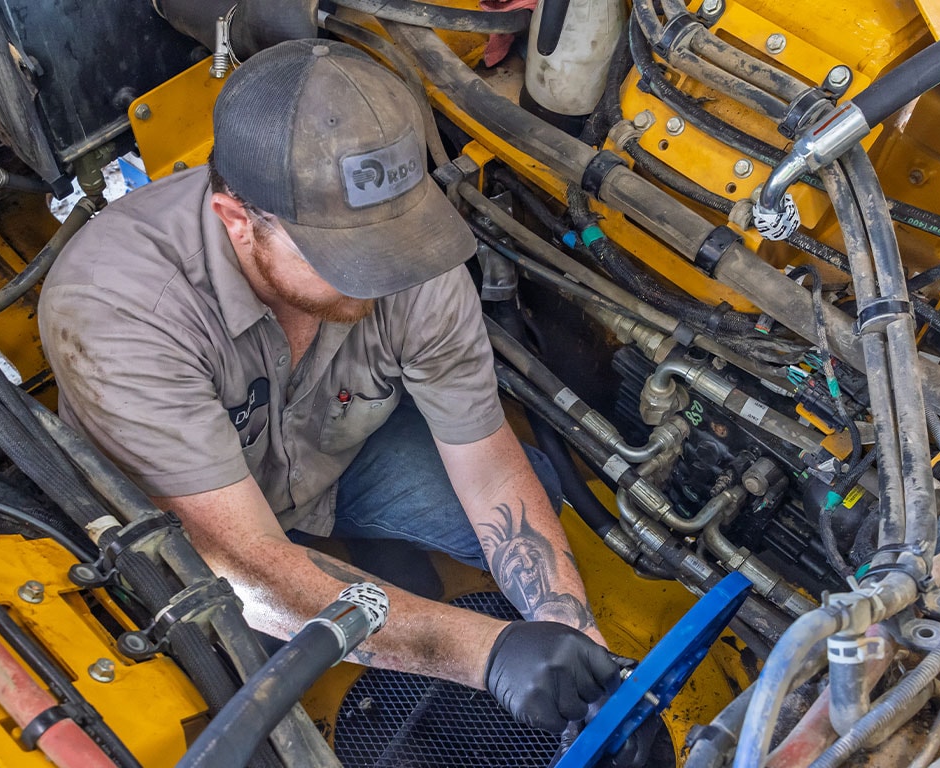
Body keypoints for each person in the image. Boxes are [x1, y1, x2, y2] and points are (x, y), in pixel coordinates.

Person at [38, 39, 619, 733]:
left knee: (535, 509)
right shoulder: (118, 305)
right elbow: (245, 567)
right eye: (349, 256)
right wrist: (488, 654)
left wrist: (572, 639)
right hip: (199, 531)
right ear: (239, 220)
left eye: (394, 239)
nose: (385, 274)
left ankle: (368, 558)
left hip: (338, 461)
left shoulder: (410, 251)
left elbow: (489, 462)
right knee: (232, 695)